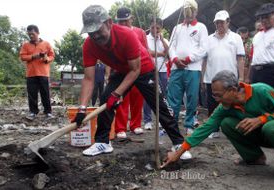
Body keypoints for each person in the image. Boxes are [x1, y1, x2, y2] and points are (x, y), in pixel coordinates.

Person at [73, 5, 192, 160]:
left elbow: (135, 70)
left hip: (143, 69)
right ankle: (103, 142)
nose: (95, 36)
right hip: (121, 71)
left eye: (98, 30)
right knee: (105, 99)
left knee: (160, 105)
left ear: (109, 23)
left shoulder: (126, 35)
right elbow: (89, 78)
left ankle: (178, 143)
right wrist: (82, 109)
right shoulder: (89, 45)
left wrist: (117, 94)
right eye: (91, 32)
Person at [162, 70, 274, 183]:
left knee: (271, 128)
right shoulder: (225, 107)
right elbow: (204, 128)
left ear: (232, 90)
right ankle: (255, 158)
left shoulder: (261, 90)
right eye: (214, 96)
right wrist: (178, 153)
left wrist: (262, 119)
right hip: (264, 134)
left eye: (218, 95)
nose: (216, 100)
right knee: (227, 124)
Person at [167, 0, 208, 135]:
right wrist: (174, 59)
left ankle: (189, 123)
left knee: (191, 97)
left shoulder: (201, 27)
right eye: (186, 12)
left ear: (196, 12)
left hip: (193, 68)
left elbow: (203, 49)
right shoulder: (177, 28)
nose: (189, 15)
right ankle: (171, 125)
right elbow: (171, 46)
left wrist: (189, 59)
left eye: (191, 12)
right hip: (176, 68)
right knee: (173, 97)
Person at [202, 10, 245, 138]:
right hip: (211, 78)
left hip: (230, 79)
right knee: (212, 105)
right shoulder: (209, 39)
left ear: (228, 22)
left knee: (231, 104)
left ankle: (232, 129)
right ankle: (214, 129)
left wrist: (241, 77)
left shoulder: (236, 38)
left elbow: (240, 58)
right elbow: (204, 60)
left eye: (222, 22)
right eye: (217, 23)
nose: (219, 25)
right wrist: (202, 78)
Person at [113, 7, 146, 138]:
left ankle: (136, 125)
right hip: (122, 71)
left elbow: (145, 51)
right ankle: (120, 128)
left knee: (137, 98)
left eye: (126, 20)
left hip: (138, 70)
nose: (124, 24)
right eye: (121, 21)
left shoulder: (140, 32)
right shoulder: (114, 32)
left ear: (131, 19)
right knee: (122, 99)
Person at [19, 25, 55, 120]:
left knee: (45, 94)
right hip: (31, 74)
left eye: (33, 34)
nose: (31, 36)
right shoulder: (25, 45)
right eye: (29, 34)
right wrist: (34, 56)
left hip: (43, 73)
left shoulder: (46, 44)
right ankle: (33, 112)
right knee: (32, 94)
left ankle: (48, 112)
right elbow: (22, 57)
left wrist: (46, 59)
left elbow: (52, 56)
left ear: (38, 33)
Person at [145, 17, 170, 130]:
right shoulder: (145, 38)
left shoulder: (163, 40)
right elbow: (147, 52)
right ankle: (147, 120)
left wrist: (162, 40)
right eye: (153, 27)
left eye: (158, 28)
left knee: (163, 96)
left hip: (162, 70)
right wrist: (161, 53)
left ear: (161, 28)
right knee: (148, 95)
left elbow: (169, 53)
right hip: (149, 70)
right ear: (149, 26)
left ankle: (161, 120)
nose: (155, 30)